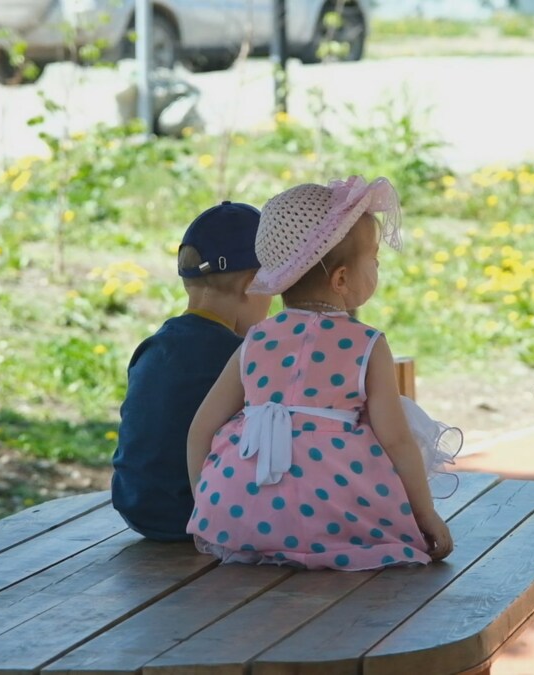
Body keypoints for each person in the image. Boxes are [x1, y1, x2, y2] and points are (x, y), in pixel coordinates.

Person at [185, 176, 454, 570]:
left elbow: (201, 429)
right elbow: (396, 440)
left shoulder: (254, 340)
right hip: (338, 513)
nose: (378, 266)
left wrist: (206, 506)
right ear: (341, 278)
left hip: (246, 514)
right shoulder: (367, 344)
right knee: (402, 425)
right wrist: (425, 515)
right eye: (374, 259)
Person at [110, 201, 272, 541]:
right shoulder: (237, 357)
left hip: (137, 507)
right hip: (196, 513)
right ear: (251, 284)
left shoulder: (154, 346)